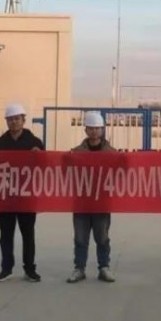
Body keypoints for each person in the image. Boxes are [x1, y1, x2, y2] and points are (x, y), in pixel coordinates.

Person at [0, 103, 44, 283]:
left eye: (16, 119)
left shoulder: (35, 142)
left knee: (28, 234)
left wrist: (39, 155)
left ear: (23, 120)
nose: (13, 122)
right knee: (5, 235)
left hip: (26, 196)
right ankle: (6, 268)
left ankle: (30, 269)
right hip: (5, 195)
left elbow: (44, 167)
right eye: (10, 119)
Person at [67, 111, 116, 283]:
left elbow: (122, 172)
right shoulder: (76, 153)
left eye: (97, 128)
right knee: (80, 238)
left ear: (102, 130)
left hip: (102, 202)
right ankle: (79, 268)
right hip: (81, 202)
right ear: (86, 130)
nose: (94, 131)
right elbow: (66, 172)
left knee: (102, 237)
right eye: (91, 128)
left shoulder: (112, 153)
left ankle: (104, 267)